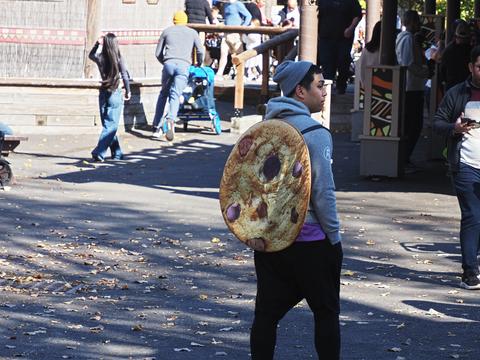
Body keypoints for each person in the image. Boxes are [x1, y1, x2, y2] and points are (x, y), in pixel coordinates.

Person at [250, 60, 343, 359]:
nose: (325, 91)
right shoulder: (316, 134)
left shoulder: (262, 129)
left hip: (269, 238)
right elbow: (323, 193)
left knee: (266, 314)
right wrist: (335, 236)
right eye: (319, 85)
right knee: (325, 311)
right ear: (300, 92)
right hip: (311, 238)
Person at [434, 46, 480, 290]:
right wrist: (455, 127)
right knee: (472, 215)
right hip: (466, 164)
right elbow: (437, 122)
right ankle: (469, 271)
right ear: (471, 67)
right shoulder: (457, 93)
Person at [152, 11, 204, 141]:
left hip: (168, 64)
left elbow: (158, 53)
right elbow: (200, 50)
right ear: (185, 21)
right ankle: (170, 119)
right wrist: (198, 63)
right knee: (175, 95)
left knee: (163, 94)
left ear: (174, 20)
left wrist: (165, 62)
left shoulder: (167, 31)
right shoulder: (192, 33)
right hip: (183, 66)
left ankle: (156, 127)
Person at [88, 33, 131, 162]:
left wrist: (97, 44)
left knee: (108, 124)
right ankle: (99, 152)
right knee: (110, 125)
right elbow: (125, 75)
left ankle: (117, 153)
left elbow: (91, 55)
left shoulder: (101, 58)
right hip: (115, 92)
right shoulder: (119, 58)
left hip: (103, 92)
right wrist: (128, 90)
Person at [396, 10, 429, 170]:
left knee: (411, 124)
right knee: (413, 124)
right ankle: (405, 156)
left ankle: (405, 156)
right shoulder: (408, 39)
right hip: (412, 86)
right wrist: (425, 72)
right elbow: (409, 63)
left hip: (411, 86)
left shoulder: (403, 38)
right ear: (412, 22)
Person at [317, 0, 362, 94]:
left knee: (343, 62)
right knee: (327, 64)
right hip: (326, 37)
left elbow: (357, 15)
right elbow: (317, 15)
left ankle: (341, 87)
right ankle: (327, 91)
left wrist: (351, 28)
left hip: (344, 38)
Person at [440, 21, 472, 91]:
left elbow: (442, 71)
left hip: (452, 87)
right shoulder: (471, 51)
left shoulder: (448, 50)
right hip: (466, 87)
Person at [357, 21, 381, 88]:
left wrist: (363, 83)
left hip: (369, 83)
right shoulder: (388, 50)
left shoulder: (367, 49)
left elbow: (362, 67)